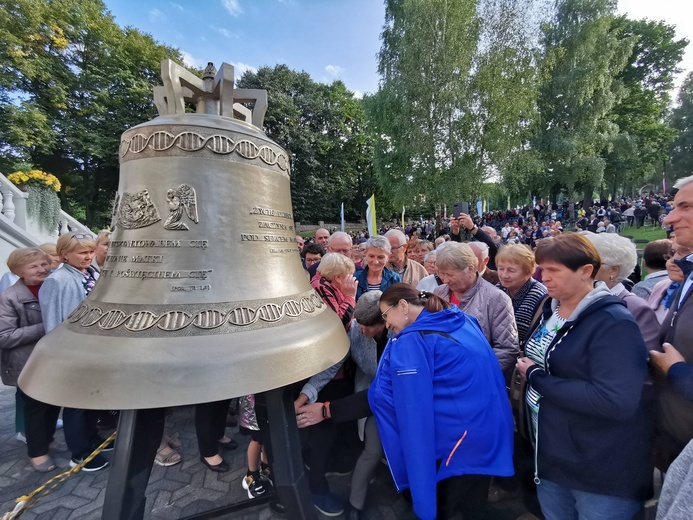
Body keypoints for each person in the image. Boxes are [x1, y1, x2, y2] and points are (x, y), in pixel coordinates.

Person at [516, 234, 650, 520]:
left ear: (586, 271)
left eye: (554, 270)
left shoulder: (613, 323)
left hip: (596, 467)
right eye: (542, 269)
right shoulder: (551, 311)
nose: (544, 277)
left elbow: (614, 401)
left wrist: (537, 377)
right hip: (552, 455)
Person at [370, 284, 513, 519]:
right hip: (486, 428)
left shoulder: (414, 340)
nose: (386, 324)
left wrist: (417, 464)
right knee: (474, 503)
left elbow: (412, 407)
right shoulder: (462, 319)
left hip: (454, 442)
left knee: (445, 507)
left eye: (386, 315)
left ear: (403, 306)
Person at [29, 232, 109, 472]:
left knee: (91, 400)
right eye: (82, 252)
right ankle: (80, 453)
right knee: (75, 404)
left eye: (91, 252)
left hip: (94, 347)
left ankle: (92, 439)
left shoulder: (92, 273)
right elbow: (53, 322)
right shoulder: (57, 280)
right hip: (73, 351)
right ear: (64, 254)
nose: (88, 257)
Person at [0, 248, 58, 472]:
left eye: (44, 264)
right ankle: (37, 452)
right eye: (33, 266)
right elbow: (4, 337)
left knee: (54, 402)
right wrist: (47, 326)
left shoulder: (52, 287)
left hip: (51, 357)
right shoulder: (9, 297)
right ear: (18, 271)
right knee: (35, 407)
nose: (42, 269)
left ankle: (48, 439)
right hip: (28, 362)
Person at [652, 174, 693, 471]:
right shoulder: (687, 275)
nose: (669, 219)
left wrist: (677, 372)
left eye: (685, 207)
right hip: (674, 445)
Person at [434, 242, 519, 376]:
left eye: (450, 275)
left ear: (471, 269)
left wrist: (472, 371)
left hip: (476, 378)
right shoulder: (439, 293)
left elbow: (507, 349)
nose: (445, 280)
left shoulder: (496, 298)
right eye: (441, 274)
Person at [583, 232, 661, 351]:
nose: (579, 268)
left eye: (589, 263)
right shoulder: (573, 299)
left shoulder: (635, 307)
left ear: (613, 270)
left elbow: (645, 358)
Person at [495, 244, 549, 345]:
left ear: (528, 272)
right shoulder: (498, 288)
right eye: (501, 268)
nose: (504, 275)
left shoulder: (539, 295)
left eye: (511, 270)